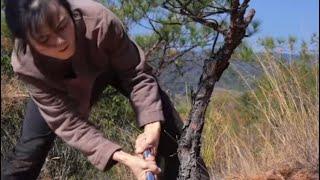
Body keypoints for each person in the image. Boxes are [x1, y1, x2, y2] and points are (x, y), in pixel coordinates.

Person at [1, 0, 210, 180]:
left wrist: (152, 126)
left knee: (169, 130)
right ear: (26, 41)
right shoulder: (26, 66)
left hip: (111, 67)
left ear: (68, 10)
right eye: (45, 39)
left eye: (62, 25)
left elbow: (136, 75)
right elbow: (68, 122)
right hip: (58, 92)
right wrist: (126, 159)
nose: (60, 41)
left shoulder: (99, 20)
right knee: (28, 153)